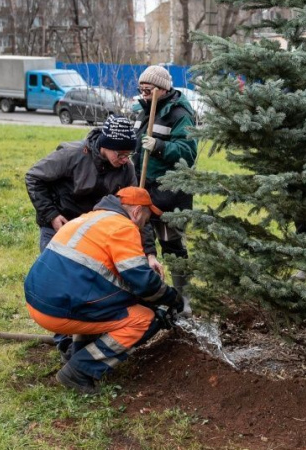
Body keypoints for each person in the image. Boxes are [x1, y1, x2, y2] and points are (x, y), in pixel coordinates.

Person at [25, 115, 164, 359]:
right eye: (120, 154)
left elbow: (137, 211)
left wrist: (150, 253)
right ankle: (66, 343)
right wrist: (51, 215)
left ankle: (89, 332)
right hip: (61, 225)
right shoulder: (72, 155)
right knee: (61, 282)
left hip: (95, 233)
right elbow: (34, 177)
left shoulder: (125, 168)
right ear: (105, 145)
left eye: (127, 155)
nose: (124, 160)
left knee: (92, 283)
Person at [24, 187, 183, 394]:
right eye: (146, 217)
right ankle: (80, 370)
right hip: (58, 310)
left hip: (38, 301)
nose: (146, 224)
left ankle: (77, 353)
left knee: (104, 302)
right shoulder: (124, 228)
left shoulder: (90, 218)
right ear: (135, 212)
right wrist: (172, 299)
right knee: (145, 319)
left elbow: (105, 276)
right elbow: (143, 282)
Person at [132, 65, 197, 315]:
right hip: (144, 189)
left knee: (172, 245)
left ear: (162, 89)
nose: (144, 94)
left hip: (170, 192)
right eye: (141, 90)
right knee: (141, 243)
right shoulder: (143, 111)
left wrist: (159, 146)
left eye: (148, 90)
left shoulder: (179, 114)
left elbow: (188, 154)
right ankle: (152, 296)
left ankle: (184, 300)